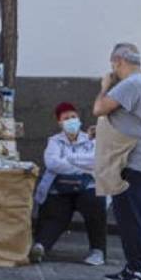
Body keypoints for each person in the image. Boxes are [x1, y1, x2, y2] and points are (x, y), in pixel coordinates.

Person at [93, 42, 141, 280]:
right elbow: (127, 120)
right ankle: (131, 268)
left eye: (113, 65)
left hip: (131, 159)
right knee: (135, 215)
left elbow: (100, 108)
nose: (113, 69)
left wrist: (105, 87)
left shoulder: (130, 84)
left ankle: (136, 273)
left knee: (130, 217)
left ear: (119, 61)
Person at [29, 102, 106, 266]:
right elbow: (52, 163)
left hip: (86, 187)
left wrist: (70, 161)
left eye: (74, 117)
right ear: (60, 123)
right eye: (66, 118)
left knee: (95, 204)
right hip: (60, 187)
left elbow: (96, 160)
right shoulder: (54, 142)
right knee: (56, 214)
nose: (71, 120)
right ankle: (41, 246)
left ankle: (97, 250)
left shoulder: (90, 139)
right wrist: (80, 166)